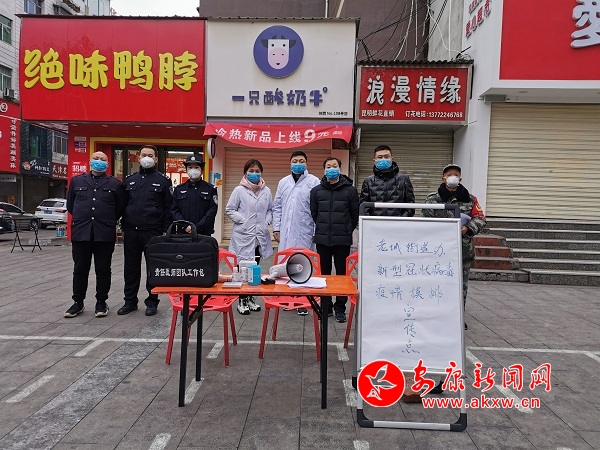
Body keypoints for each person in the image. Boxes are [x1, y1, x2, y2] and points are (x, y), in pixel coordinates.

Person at [423, 163, 487, 395]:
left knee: (461, 287)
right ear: (443, 177)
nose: (453, 178)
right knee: (437, 287)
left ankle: (457, 317)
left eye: (456, 175)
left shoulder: (470, 198)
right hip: (439, 251)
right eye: (449, 175)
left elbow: (481, 219)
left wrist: (468, 228)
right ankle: (436, 315)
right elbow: (425, 221)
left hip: (461, 250)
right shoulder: (433, 199)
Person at [64, 151, 126, 318]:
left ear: (108, 163)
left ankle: (101, 302)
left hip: (104, 233)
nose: (99, 161)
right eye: (96, 158)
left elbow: (119, 208)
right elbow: (71, 205)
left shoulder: (115, 184)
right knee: (80, 269)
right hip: (81, 232)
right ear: (90, 161)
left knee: (103, 269)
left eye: (103, 159)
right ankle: (78, 302)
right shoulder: (77, 181)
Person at [118, 145, 173, 316]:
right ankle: (130, 301)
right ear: (138, 157)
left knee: (153, 268)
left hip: (153, 232)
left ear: (156, 159)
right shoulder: (130, 180)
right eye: (144, 155)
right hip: (131, 231)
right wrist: (123, 227)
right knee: (131, 268)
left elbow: (168, 208)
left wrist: (165, 230)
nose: (147, 158)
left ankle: (152, 301)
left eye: (150, 155)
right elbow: (123, 205)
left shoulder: (163, 181)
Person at [310, 157, 359, 323]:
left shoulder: (350, 191)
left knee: (341, 275)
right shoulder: (316, 191)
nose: (332, 169)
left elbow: (354, 214)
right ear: (324, 170)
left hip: (342, 240)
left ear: (340, 168)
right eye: (328, 166)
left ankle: (340, 308)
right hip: (322, 239)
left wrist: (346, 230)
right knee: (323, 275)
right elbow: (314, 214)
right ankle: (326, 306)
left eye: (335, 166)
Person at [272, 150, 320, 315]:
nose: (298, 164)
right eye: (295, 161)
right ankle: (287, 298)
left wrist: (315, 230)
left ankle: (302, 301)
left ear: (306, 163)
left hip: (305, 230)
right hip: (286, 230)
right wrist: (276, 228)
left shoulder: (314, 181)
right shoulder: (283, 182)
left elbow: (317, 209)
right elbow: (277, 207)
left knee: (302, 264)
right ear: (290, 163)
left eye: (301, 161)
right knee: (285, 264)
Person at [226, 159, 273, 315]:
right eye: (251, 171)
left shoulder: (266, 191)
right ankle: (242, 300)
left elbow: (270, 209)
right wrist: (243, 220)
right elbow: (230, 209)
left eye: (257, 171)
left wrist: (267, 220)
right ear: (245, 173)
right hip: (243, 235)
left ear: (261, 173)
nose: (254, 173)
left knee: (255, 269)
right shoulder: (239, 190)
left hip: (259, 236)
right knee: (242, 268)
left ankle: (251, 298)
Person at [360, 145, 415, 216]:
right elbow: (363, 206)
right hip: (375, 222)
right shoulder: (368, 181)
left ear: (392, 159)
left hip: (398, 222)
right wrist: (370, 221)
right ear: (374, 161)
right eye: (380, 157)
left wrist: (401, 219)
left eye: (386, 157)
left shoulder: (403, 179)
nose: (383, 159)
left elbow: (410, 206)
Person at [171, 154, 218, 236]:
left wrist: (197, 227)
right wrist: (185, 226)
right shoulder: (179, 189)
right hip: (183, 232)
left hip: (203, 233)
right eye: (190, 167)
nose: (193, 170)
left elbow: (212, 211)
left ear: (202, 170)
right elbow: (174, 210)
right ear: (186, 169)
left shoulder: (210, 189)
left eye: (196, 167)